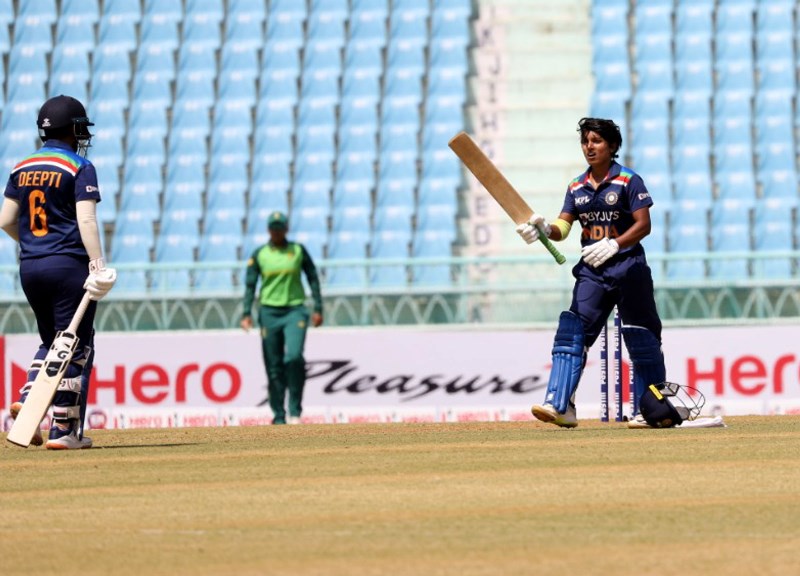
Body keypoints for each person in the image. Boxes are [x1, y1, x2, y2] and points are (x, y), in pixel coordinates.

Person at [516, 117, 665, 429]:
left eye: (596, 141)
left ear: (611, 146)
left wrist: (615, 244)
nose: (589, 147)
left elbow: (644, 225)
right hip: (592, 273)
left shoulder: (628, 180)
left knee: (641, 338)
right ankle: (560, 405)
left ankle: (649, 410)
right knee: (572, 335)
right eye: (585, 141)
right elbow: (562, 228)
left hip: (629, 268)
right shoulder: (576, 186)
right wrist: (542, 229)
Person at [0, 94, 117, 449]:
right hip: (68, 266)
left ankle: (33, 398)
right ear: (71, 129)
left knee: (54, 342)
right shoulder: (79, 167)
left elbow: (5, 220)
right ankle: (63, 431)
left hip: (31, 266)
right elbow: (86, 218)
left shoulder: (21, 166)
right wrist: (97, 264)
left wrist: (36, 245)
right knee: (78, 346)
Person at [240, 211, 323, 425]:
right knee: (273, 365)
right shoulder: (260, 254)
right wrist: (246, 312)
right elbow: (250, 285)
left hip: (295, 310)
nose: (277, 231)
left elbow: (313, 277)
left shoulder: (297, 251)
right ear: (269, 230)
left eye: (280, 227)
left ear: (286, 229)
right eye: (273, 228)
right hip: (269, 312)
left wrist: (318, 307)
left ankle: (295, 410)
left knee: (294, 357)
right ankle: (278, 414)